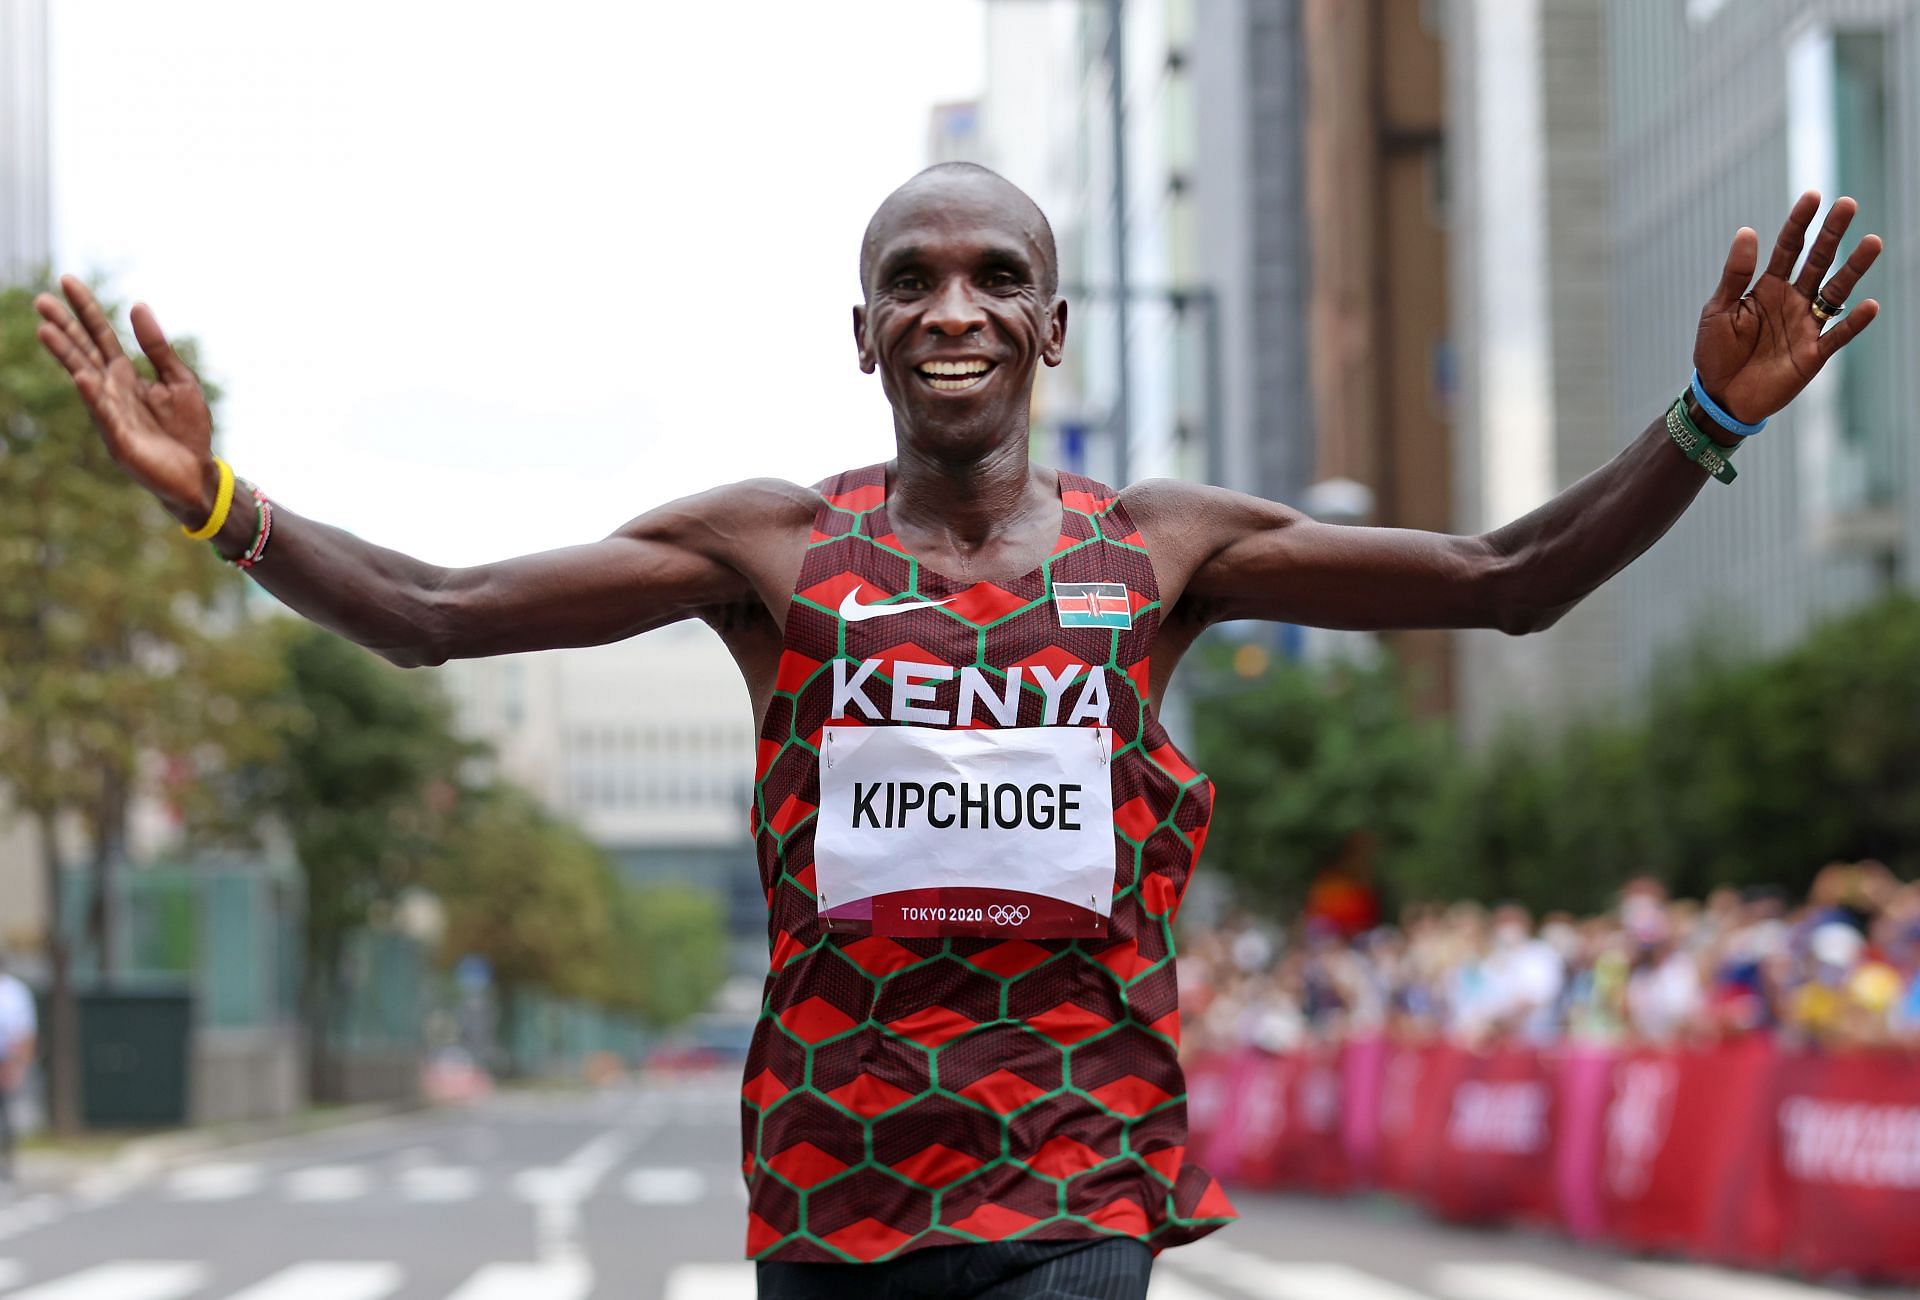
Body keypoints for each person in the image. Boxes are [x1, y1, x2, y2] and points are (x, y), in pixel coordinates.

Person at [33, 164, 1882, 1298]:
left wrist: (1703, 422)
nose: (954, 306)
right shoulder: (770, 547)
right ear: (861, 333)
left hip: (1078, 1166)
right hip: (831, 1180)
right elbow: (435, 617)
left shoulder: (1156, 551)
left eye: (995, 276)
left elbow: (1505, 574)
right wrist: (220, 504)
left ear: (1054, 323)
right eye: (913, 280)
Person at [0, 948, 37, 1191]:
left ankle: (7, 1167)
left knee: (6, 1118)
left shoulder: (14, 992)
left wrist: (20, 1064)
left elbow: (25, 1031)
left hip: (6, 1061)